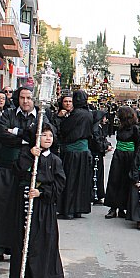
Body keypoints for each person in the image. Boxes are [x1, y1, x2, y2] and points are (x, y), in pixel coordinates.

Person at [0, 87, 41, 265]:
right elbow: (1, 134)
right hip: (6, 169)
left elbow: (42, 137)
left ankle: (23, 250)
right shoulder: (7, 114)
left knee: (26, 212)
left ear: (34, 99)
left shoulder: (40, 117)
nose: (25, 101)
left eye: (29, 98)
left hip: (29, 172)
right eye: (22, 97)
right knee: (1, 209)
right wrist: (25, 139)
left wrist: (15, 132)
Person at [9, 123, 66, 278]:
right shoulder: (27, 154)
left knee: (45, 239)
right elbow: (18, 173)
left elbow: (59, 183)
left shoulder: (55, 160)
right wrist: (29, 157)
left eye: (50, 135)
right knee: (24, 238)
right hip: (26, 202)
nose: (48, 138)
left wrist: (41, 192)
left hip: (44, 206)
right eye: (43, 135)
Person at [57, 90, 93, 219]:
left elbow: (64, 129)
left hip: (72, 152)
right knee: (81, 181)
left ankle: (68, 209)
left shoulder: (75, 114)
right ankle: (79, 208)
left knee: (70, 181)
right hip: (83, 152)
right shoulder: (88, 114)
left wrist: (61, 118)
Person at [105, 106, 139, 219]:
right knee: (115, 180)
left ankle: (122, 207)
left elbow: (137, 144)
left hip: (130, 156)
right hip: (118, 155)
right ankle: (113, 207)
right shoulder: (119, 127)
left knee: (126, 181)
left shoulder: (135, 129)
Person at [89, 110, 112, 205]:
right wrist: (105, 146)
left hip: (98, 154)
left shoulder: (98, 127)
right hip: (95, 154)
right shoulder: (95, 129)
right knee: (95, 174)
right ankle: (95, 195)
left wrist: (107, 144)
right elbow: (97, 142)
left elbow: (103, 139)